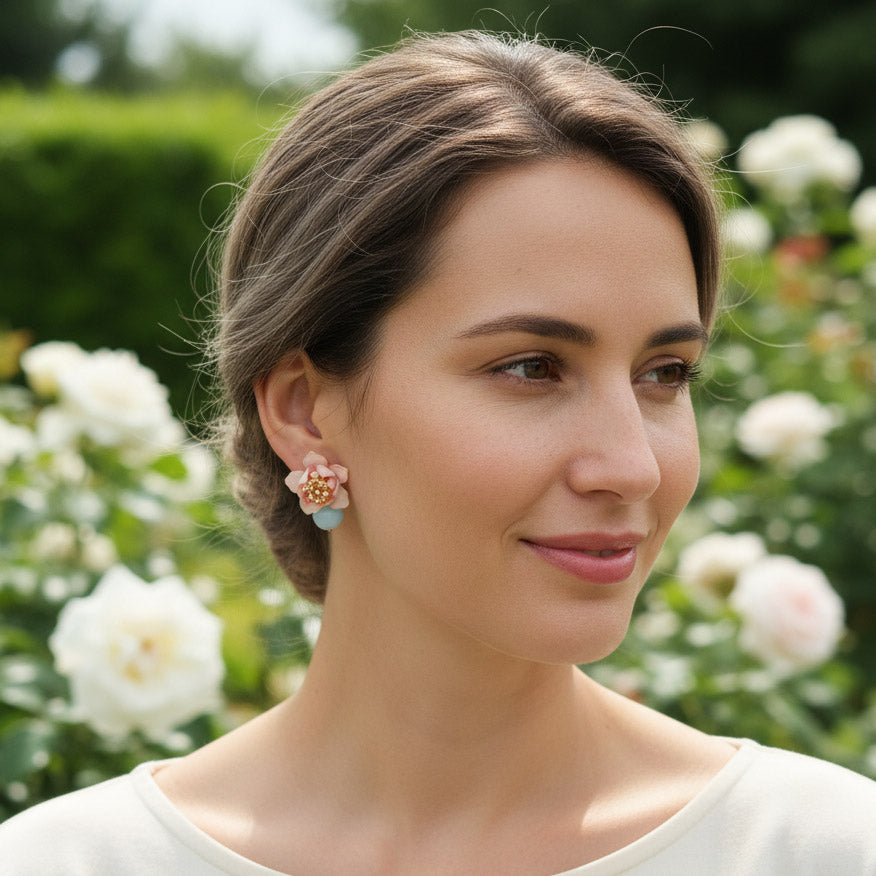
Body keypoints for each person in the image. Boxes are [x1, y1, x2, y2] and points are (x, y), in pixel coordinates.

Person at [2, 30, 875, 876]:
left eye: (664, 373)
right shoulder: (71, 863)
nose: (633, 466)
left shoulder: (819, 851)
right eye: (532, 368)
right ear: (305, 410)